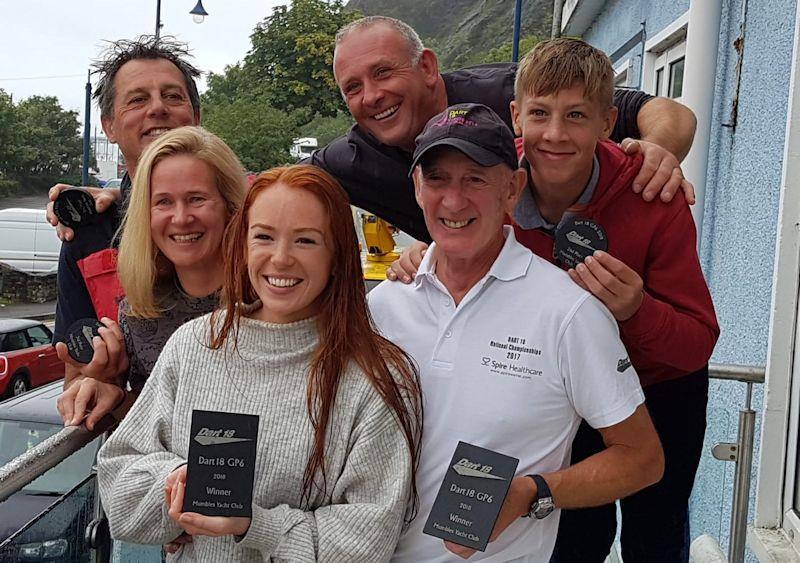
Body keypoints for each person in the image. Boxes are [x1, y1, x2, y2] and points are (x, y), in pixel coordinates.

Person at [391, 40, 720, 562]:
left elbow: (698, 342)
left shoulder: (652, 193)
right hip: (561, 392)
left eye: (576, 116)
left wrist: (637, 310)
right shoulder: (493, 178)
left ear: (608, 122)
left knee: (654, 531)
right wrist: (428, 258)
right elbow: (458, 215)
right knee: (572, 534)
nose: (556, 134)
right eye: (540, 114)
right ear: (517, 116)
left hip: (659, 390)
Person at [368, 103, 664, 562]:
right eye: (438, 179)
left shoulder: (569, 312)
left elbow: (642, 458)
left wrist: (533, 492)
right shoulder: (381, 307)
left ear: (513, 188)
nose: (453, 200)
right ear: (417, 188)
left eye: (476, 178)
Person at [97, 164, 423, 562]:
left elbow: (367, 542)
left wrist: (254, 525)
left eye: (305, 241)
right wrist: (178, 483)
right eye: (264, 237)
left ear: (338, 255)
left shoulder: (377, 377)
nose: (280, 259)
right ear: (244, 244)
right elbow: (119, 487)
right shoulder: (194, 345)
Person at [308, 15, 697, 242]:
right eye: (353, 88)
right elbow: (273, 190)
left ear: (427, 67)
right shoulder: (353, 158)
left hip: (604, 302)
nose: (372, 96)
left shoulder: (515, 94)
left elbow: (666, 112)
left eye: (382, 72)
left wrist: (656, 154)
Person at [57, 126, 248, 432]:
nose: (181, 217)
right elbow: (161, 419)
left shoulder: (267, 300)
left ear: (231, 207)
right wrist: (112, 394)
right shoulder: (136, 313)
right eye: (163, 202)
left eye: (196, 198)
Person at [51, 35, 201, 369]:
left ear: (196, 115)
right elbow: (77, 373)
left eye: (173, 96)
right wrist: (99, 384)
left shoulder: (250, 213)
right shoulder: (86, 235)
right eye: (137, 99)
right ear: (109, 126)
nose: (158, 107)